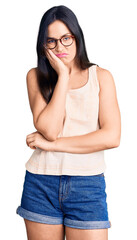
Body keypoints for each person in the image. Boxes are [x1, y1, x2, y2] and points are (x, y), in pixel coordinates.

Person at [16, 5, 121, 240]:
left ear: (76, 36)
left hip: (87, 186)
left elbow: (111, 137)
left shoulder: (101, 77)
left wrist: (52, 146)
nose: (60, 47)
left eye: (66, 38)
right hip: (40, 184)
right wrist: (63, 75)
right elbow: (50, 130)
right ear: (43, 45)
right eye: (51, 41)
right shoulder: (35, 76)